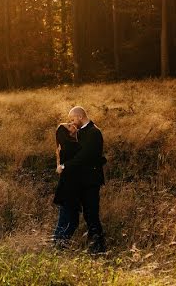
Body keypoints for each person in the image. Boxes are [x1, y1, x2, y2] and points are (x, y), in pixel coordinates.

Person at [56, 106, 107, 254]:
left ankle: (98, 248)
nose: (71, 122)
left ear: (79, 117)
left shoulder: (93, 132)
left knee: (91, 214)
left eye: (72, 119)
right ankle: (93, 247)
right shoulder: (81, 132)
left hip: (91, 182)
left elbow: (85, 155)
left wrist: (65, 166)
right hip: (81, 182)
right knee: (83, 215)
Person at [52, 121, 80, 245]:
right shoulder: (71, 147)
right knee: (71, 221)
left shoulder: (65, 147)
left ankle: (57, 245)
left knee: (65, 220)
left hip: (67, 189)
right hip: (69, 190)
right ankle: (59, 246)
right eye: (69, 126)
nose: (72, 125)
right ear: (67, 134)